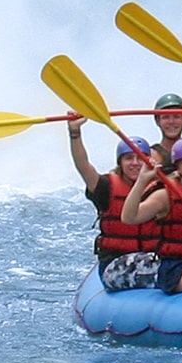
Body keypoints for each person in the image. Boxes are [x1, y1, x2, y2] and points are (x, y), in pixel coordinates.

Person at [68, 118, 161, 290]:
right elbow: (83, 165)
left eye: (140, 158)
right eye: (128, 158)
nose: (135, 163)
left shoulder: (161, 189)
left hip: (151, 256)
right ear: (120, 162)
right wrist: (75, 133)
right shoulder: (106, 187)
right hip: (115, 265)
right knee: (161, 268)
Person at [120, 137, 182, 293]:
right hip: (175, 269)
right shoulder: (165, 196)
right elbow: (129, 218)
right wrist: (142, 180)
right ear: (177, 166)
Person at [147, 93, 182, 170]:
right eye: (165, 117)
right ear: (158, 121)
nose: (171, 121)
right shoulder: (152, 154)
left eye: (176, 116)